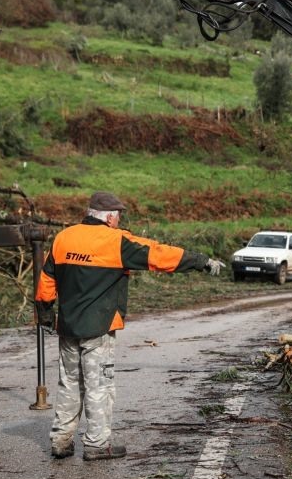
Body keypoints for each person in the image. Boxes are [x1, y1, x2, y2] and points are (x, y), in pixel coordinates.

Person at [35, 191, 225, 461]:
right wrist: (200, 261)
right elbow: (159, 255)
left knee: (68, 383)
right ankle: (97, 444)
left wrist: (45, 312)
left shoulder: (64, 238)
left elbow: (46, 279)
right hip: (98, 328)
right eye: (119, 214)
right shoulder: (116, 241)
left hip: (67, 327)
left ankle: (61, 441)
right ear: (110, 216)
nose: (119, 218)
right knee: (99, 385)